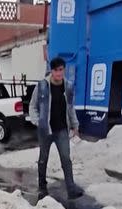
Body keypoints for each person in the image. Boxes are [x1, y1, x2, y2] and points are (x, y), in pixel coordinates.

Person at [28, 56, 84, 200]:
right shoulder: (42, 86)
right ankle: (42, 187)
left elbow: (71, 108)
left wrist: (75, 125)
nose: (59, 73)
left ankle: (71, 188)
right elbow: (33, 106)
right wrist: (37, 121)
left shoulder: (68, 86)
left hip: (61, 130)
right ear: (51, 71)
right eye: (56, 70)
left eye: (61, 70)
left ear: (64, 70)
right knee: (43, 158)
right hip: (45, 130)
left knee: (66, 159)